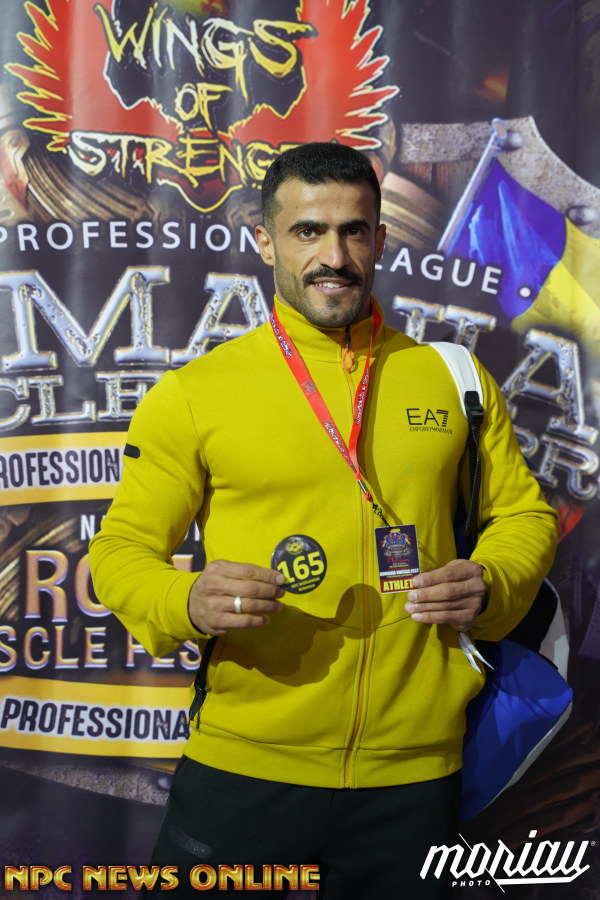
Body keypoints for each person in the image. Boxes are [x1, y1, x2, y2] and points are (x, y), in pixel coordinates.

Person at [89, 142, 558, 898]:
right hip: (245, 768)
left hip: (416, 779)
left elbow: (523, 516)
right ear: (264, 241)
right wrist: (185, 599)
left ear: (381, 238)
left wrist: (491, 581)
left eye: (353, 231)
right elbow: (120, 550)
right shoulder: (196, 393)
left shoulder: (454, 380)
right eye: (307, 231)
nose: (333, 257)